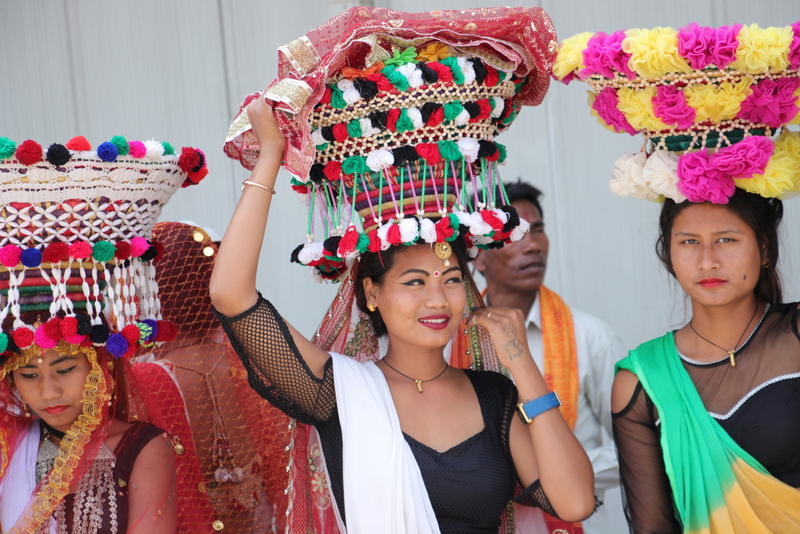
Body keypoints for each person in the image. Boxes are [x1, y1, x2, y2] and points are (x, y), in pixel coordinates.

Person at [213, 7, 596, 533]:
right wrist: (270, 159)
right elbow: (232, 294)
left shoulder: (495, 396)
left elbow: (573, 502)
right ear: (371, 292)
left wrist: (521, 365)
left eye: (452, 279)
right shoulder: (337, 392)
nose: (437, 300)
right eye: (414, 282)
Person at [553, 21, 800, 533]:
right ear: (669, 254)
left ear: (766, 248)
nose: (707, 260)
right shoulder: (641, 382)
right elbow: (653, 526)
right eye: (690, 243)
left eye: (726, 240)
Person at [0, 134, 209, 533]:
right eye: (28, 375)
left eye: (64, 369)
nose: (48, 392)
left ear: (99, 364)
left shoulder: (142, 447)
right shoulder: (10, 451)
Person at [471, 181, 627, 534]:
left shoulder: (590, 336)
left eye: (538, 231)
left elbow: (637, 443)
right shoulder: (453, 339)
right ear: (477, 254)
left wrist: (558, 473)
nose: (533, 246)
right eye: (514, 234)